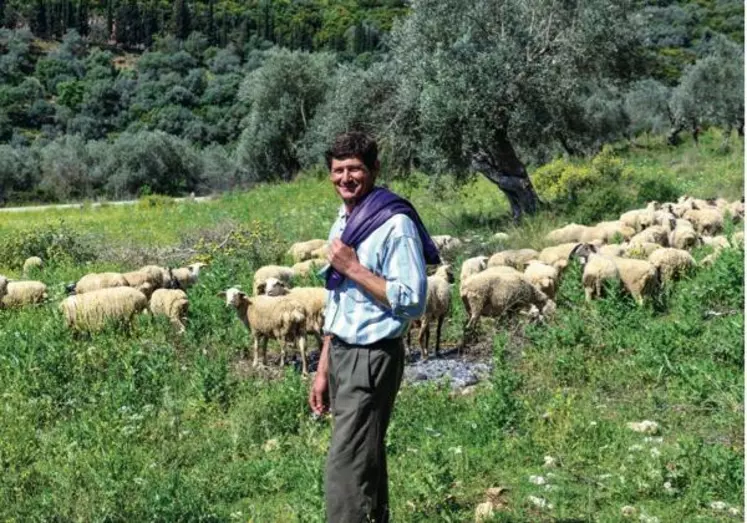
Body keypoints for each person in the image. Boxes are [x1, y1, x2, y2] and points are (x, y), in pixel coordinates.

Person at [308, 132, 440, 522]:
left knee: (344, 468)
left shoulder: (394, 224)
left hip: (372, 356)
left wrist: (353, 268)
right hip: (344, 353)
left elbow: (412, 300)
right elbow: (340, 302)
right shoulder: (343, 220)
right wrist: (323, 367)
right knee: (363, 455)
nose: (345, 178)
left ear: (374, 170)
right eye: (337, 170)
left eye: (355, 169)